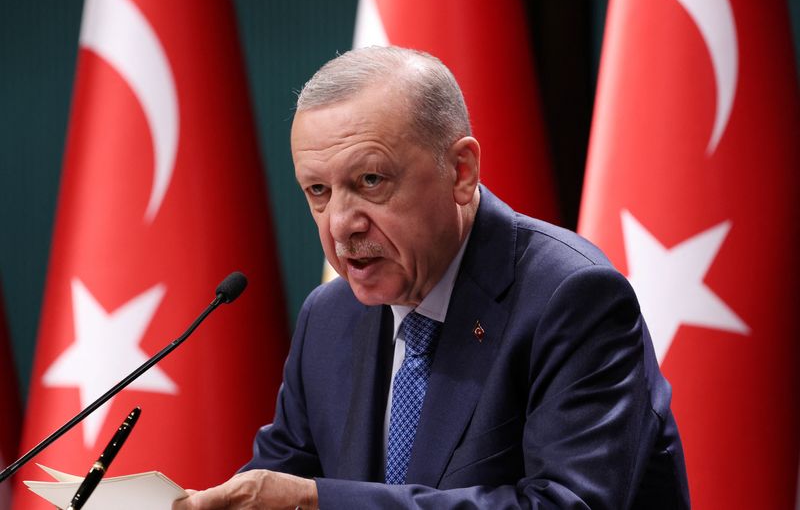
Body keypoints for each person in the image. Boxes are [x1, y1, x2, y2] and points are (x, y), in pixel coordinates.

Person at [174, 46, 690, 509]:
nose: (339, 224)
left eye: (370, 180)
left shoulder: (571, 298)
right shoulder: (328, 318)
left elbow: (569, 504)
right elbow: (278, 487)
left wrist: (320, 505)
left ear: (461, 172)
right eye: (317, 191)